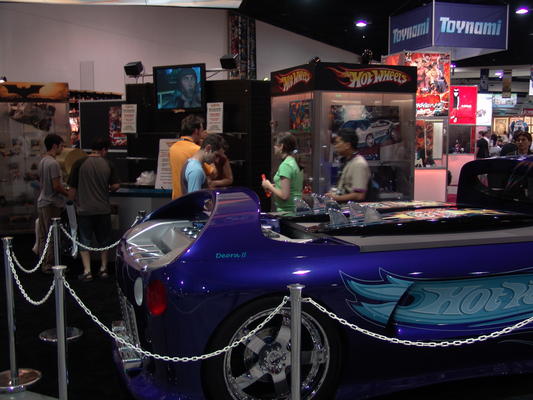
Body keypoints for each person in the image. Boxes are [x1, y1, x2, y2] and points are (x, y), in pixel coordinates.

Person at [68, 137, 120, 282]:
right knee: (104, 240)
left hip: (84, 210)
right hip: (103, 209)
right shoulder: (108, 164)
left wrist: (71, 203)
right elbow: (116, 185)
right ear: (103, 150)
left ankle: (87, 271)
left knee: (84, 241)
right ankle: (103, 269)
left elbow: (72, 190)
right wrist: (107, 189)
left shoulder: (79, 163)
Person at [37, 133, 69, 274]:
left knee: (43, 234)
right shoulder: (53, 163)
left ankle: (43, 262)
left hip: (43, 201)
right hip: (52, 203)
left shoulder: (43, 161)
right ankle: (50, 264)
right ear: (55, 146)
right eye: (61, 146)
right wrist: (68, 194)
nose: (63, 149)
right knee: (52, 235)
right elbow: (56, 186)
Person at [169, 115, 213, 199]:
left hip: (176, 199)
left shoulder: (172, 148)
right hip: (191, 198)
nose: (203, 132)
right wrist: (207, 141)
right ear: (196, 131)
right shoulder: (197, 149)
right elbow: (213, 173)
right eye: (202, 130)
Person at [261, 132, 303, 214]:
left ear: (281, 146)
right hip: (295, 210)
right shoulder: (293, 162)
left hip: (287, 213)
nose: (274, 147)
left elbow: (284, 195)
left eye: (276, 145)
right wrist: (275, 186)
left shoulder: (285, 165)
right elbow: (292, 187)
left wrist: (269, 186)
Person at [325, 128, 371, 202]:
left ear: (347, 145)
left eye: (337, 143)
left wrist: (335, 198)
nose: (335, 146)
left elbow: (359, 195)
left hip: (352, 208)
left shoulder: (358, 164)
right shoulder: (348, 161)